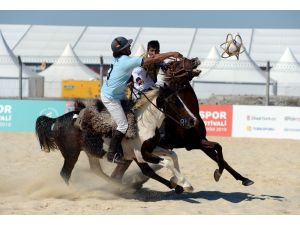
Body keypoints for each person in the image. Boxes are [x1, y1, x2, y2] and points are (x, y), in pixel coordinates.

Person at [100, 36, 182, 164]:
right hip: (110, 98)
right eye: (127, 46)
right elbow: (153, 59)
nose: (129, 47)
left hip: (118, 94)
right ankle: (112, 154)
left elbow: (120, 74)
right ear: (122, 50)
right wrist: (172, 53)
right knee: (123, 125)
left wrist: (129, 80)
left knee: (133, 114)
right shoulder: (126, 60)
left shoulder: (119, 59)